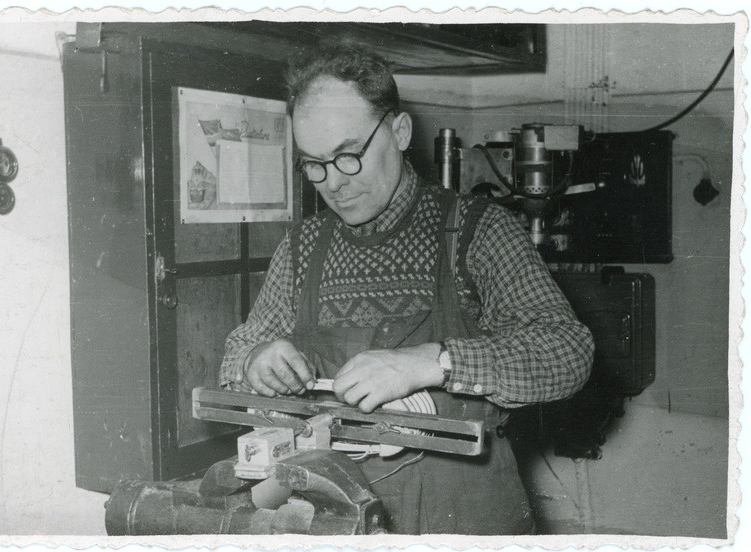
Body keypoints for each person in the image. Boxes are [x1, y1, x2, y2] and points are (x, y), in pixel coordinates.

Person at [219, 44, 594, 535]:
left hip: (462, 513)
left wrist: (431, 362)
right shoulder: (303, 247)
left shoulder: (477, 231)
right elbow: (234, 360)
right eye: (313, 164)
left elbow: (569, 353)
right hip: (335, 512)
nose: (333, 182)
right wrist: (258, 360)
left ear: (398, 132)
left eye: (348, 155)